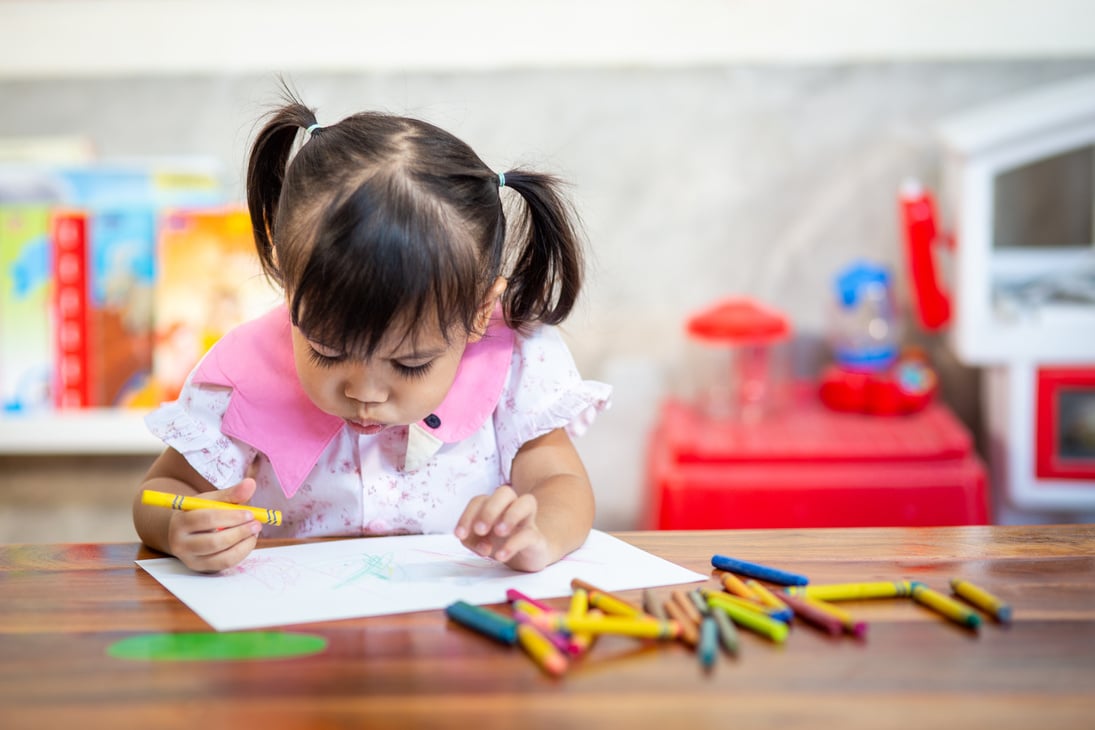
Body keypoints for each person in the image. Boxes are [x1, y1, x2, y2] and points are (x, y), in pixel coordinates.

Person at [132, 94, 610, 574]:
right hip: (301, 630)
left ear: (481, 311)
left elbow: (560, 483)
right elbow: (159, 495)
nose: (363, 391)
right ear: (288, 279)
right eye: (326, 351)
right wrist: (180, 528)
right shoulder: (246, 374)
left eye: (410, 363)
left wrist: (539, 532)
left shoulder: (512, 363)